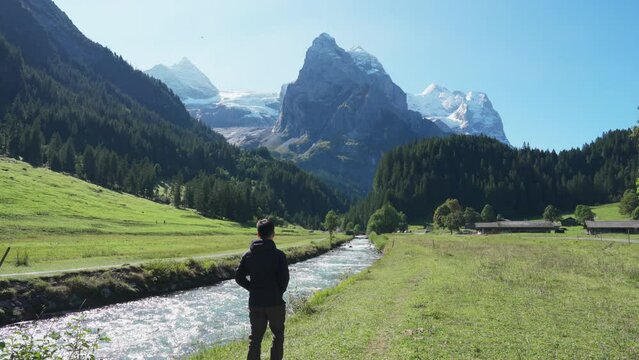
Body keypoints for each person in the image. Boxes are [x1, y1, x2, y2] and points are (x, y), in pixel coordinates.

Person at [235, 218, 290, 360]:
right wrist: (277, 292)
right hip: (275, 302)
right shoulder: (279, 255)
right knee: (278, 335)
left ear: (257, 234)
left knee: (255, 339)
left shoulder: (248, 255)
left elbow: (239, 278)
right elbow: (284, 280)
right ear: (273, 234)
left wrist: (252, 289)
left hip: (256, 302)